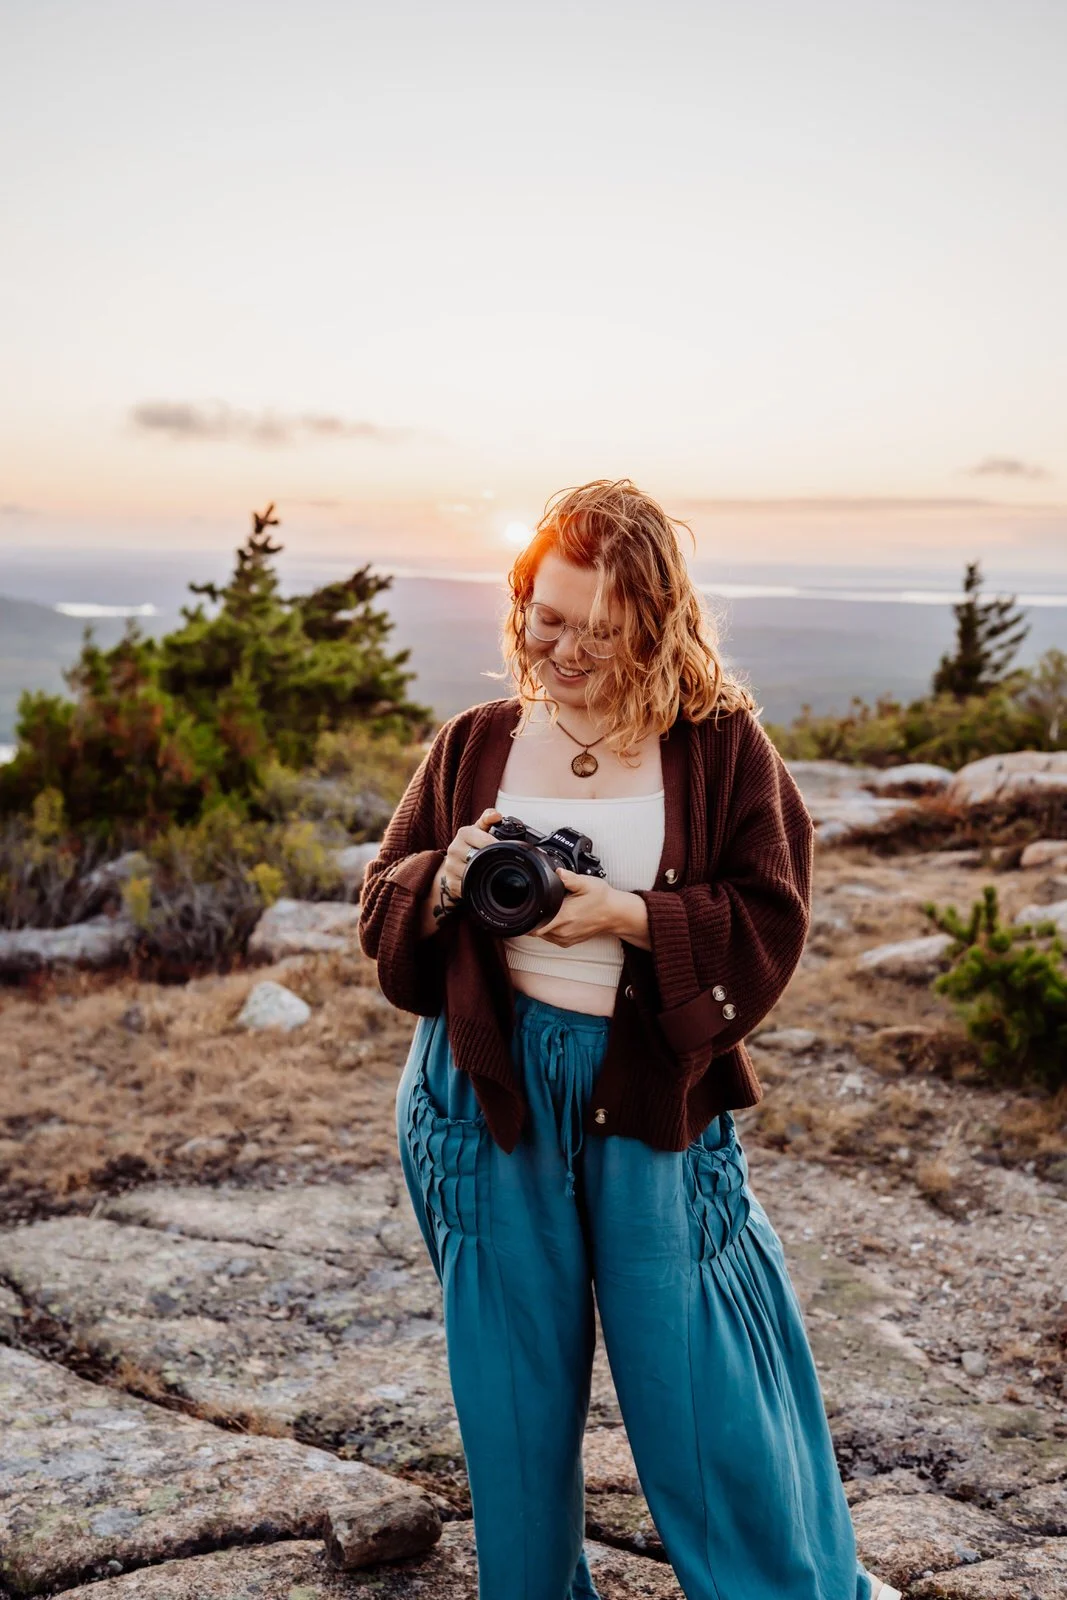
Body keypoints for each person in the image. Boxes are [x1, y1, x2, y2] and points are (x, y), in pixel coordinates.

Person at [358, 479, 901, 1600]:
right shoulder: (474, 744)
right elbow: (379, 908)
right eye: (542, 619)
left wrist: (626, 915)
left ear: (653, 625)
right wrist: (442, 879)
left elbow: (772, 913)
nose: (559, 650)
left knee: (696, 1382)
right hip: (484, 1094)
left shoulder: (718, 749)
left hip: (646, 1087)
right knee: (512, 1401)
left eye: (597, 633)